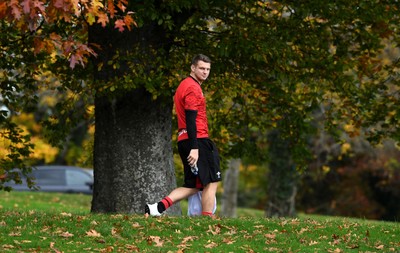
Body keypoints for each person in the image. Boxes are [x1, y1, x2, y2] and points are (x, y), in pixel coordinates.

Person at [145, 54, 222, 217]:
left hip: (184, 139)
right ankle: (207, 219)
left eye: (208, 69)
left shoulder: (184, 85)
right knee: (212, 180)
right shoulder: (193, 88)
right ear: (192, 68)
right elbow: (191, 118)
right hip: (197, 140)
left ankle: (157, 208)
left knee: (193, 184)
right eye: (202, 68)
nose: (205, 72)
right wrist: (195, 148)